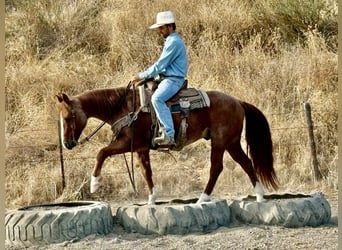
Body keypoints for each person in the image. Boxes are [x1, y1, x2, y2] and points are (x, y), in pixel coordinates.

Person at [130, 11, 188, 145]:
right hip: (168, 78)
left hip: (173, 80)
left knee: (157, 99)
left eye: (161, 28)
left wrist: (140, 75)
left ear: (169, 26)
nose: (159, 31)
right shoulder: (171, 40)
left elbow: (160, 65)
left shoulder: (173, 41)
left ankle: (169, 134)